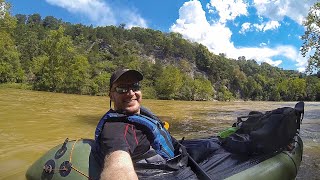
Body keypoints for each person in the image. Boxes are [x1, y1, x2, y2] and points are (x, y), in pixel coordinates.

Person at [94, 69, 185, 180]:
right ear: (111, 96)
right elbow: (118, 166)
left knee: (212, 143)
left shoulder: (141, 113)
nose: (131, 93)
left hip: (176, 159)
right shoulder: (117, 128)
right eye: (122, 89)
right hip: (169, 173)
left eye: (135, 87)